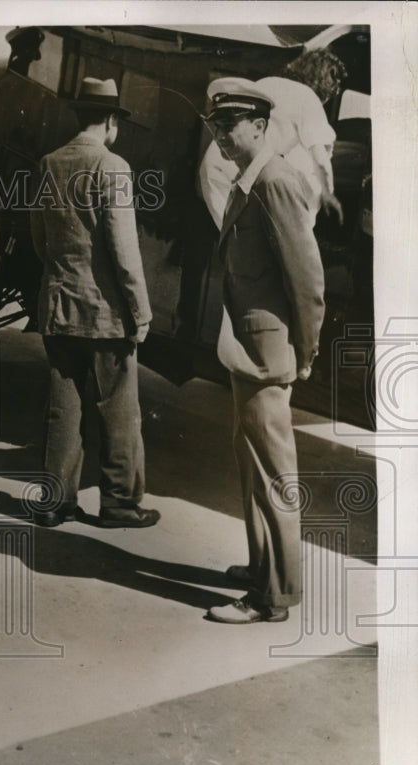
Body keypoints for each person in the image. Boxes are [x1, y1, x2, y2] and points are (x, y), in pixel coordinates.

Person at [201, 78, 326, 624]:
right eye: (216, 127)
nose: (222, 137)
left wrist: (307, 348)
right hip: (247, 349)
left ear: (259, 125)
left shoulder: (274, 181)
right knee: (252, 467)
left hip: (267, 353)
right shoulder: (246, 182)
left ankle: (271, 596)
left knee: (274, 477)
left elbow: (307, 279)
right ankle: (260, 568)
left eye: (230, 125)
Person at [28, 77, 160, 530]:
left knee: (63, 408)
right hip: (105, 315)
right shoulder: (113, 166)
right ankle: (120, 503)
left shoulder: (49, 163)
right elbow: (124, 249)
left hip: (59, 306)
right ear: (109, 121)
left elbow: (40, 241)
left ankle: (54, 502)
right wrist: (140, 312)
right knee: (119, 410)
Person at [198, 48, 348, 229]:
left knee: (233, 236)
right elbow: (320, 161)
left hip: (214, 164)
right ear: (325, 86)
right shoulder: (309, 98)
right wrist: (328, 194)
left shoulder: (267, 83)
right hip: (239, 167)